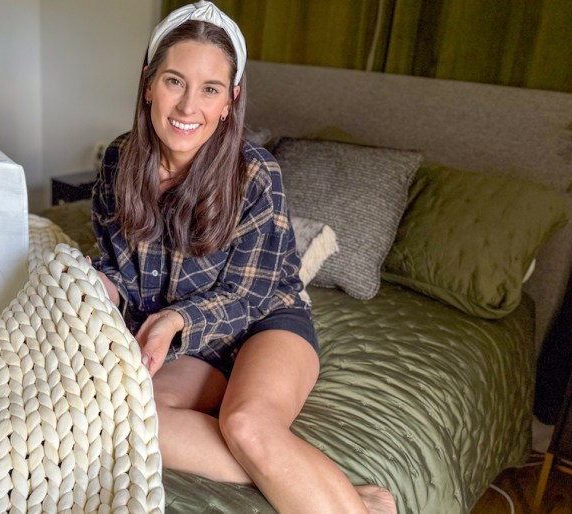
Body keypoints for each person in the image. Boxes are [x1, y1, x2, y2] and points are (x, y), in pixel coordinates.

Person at [90, 2, 396, 513]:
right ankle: (336, 489)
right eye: (174, 81)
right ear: (148, 84)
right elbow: (118, 269)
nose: (189, 107)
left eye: (210, 89)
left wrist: (173, 321)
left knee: (247, 425)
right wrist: (95, 289)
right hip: (183, 338)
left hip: (265, 322)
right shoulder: (119, 162)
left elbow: (248, 295)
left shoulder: (256, 174)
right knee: (130, 421)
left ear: (230, 100)